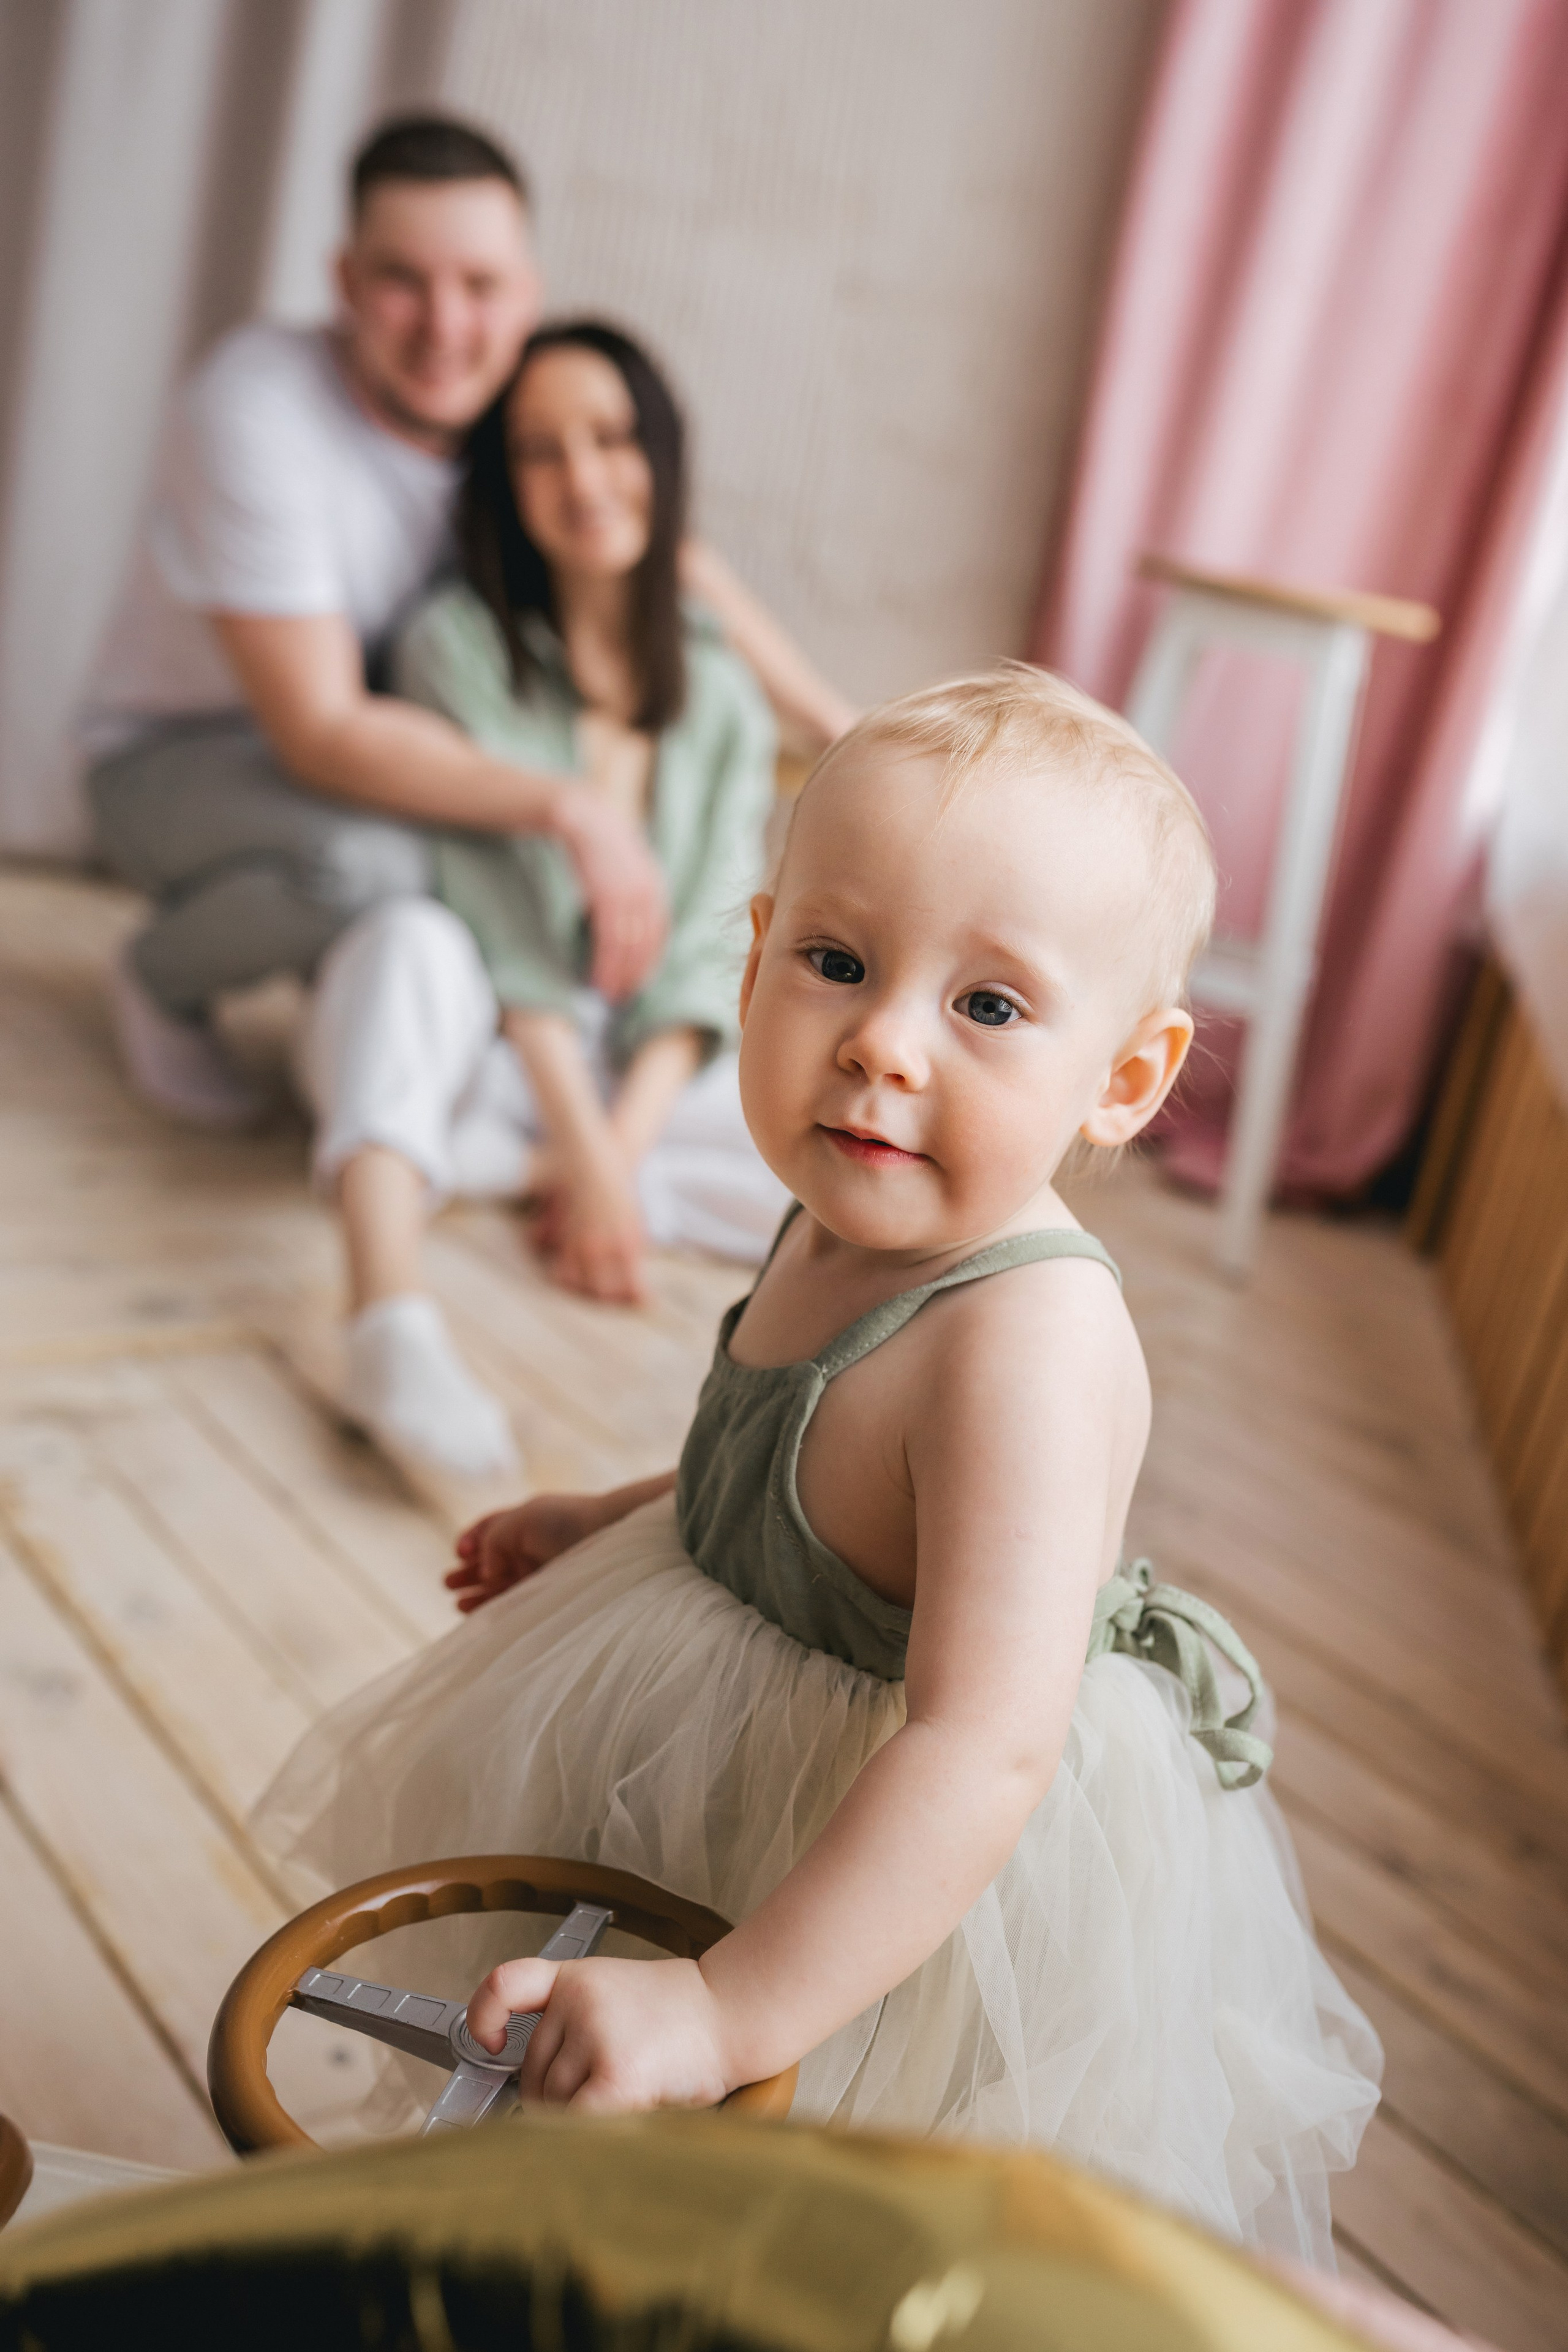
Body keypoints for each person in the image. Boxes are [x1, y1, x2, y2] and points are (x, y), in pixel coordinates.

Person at [255, 666, 1381, 2265]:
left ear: (1125, 1080)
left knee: (800, 2205)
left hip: (897, 1854)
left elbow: (981, 1746)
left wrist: (729, 2007)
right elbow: (792, 1473)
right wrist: (620, 1516)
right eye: (837, 963)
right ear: (758, 954)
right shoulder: (836, 1202)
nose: (880, 1047)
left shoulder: (1025, 1345)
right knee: (591, 2089)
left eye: (988, 1006)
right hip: (728, 1743)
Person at [83, 113, 853, 1129]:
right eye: (403, 281)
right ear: (345, 282)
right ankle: (160, 976)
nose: (446, 325)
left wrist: (844, 733)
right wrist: (577, 809)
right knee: (394, 868)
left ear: (528, 292)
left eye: (481, 286)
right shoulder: (256, 412)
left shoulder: (514, 401)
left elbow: (663, 550)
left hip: (377, 743)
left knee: (464, 882)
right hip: (186, 756)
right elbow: (319, 731)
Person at [304, 320, 789, 1478]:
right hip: (491, 1033)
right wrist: (596, 1157)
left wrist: (607, 1156)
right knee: (407, 946)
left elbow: (707, 958)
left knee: (822, 1151)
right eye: (538, 450)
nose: (583, 478)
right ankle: (387, 1320)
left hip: (634, 1070)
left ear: (660, 456)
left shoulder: (723, 693)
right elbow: (501, 927)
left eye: (611, 439)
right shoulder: (453, 647)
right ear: (501, 481)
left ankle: (506, 1171)